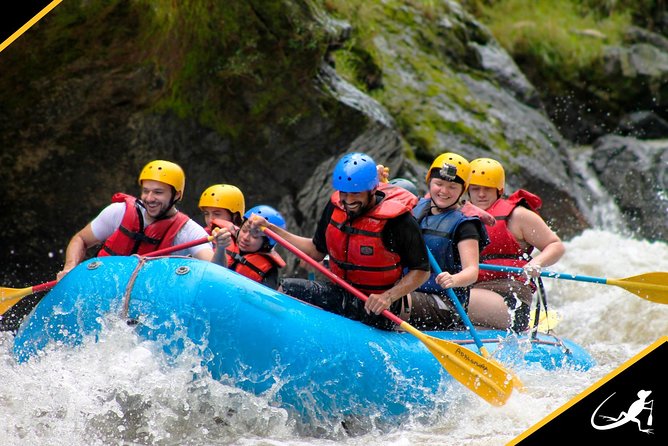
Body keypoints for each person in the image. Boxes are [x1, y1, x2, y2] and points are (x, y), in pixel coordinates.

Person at [250, 151, 430, 330]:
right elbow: (315, 250)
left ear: (373, 190)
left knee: (290, 289)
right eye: (344, 193)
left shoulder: (399, 221)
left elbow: (422, 271)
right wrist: (270, 229)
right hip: (340, 292)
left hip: (379, 307)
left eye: (356, 194)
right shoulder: (336, 206)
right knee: (288, 289)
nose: (348, 201)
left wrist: (387, 297)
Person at [57, 160, 230, 280]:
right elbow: (80, 239)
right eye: (146, 191)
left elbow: (216, 272)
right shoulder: (119, 212)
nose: (149, 198)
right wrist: (69, 268)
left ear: (176, 195)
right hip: (101, 286)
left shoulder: (189, 231)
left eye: (158, 192)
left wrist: (221, 248)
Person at [466, 157, 566, 332]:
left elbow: (555, 245)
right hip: (473, 289)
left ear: (499, 190)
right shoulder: (460, 217)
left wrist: (537, 263)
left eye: (487, 189)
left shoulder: (518, 216)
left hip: (509, 294)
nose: (481, 194)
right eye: (475, 189)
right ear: (467, 190)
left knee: (452, 300)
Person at [407, 152, 489, 330]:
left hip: (444, 303)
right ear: (429, 182)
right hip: (407, 289)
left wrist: (453, 279)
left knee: (390, 298)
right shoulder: (415, 208)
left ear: (462, 190)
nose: (444, 191)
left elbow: (472, 271)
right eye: (439, 184)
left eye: (452, 187)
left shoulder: (465, 225)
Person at [227, 205, 287, 290]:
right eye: (244, 230)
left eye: (255, 236)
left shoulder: (269, 270)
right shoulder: (223, 240)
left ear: (266, 243)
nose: (245, 238)